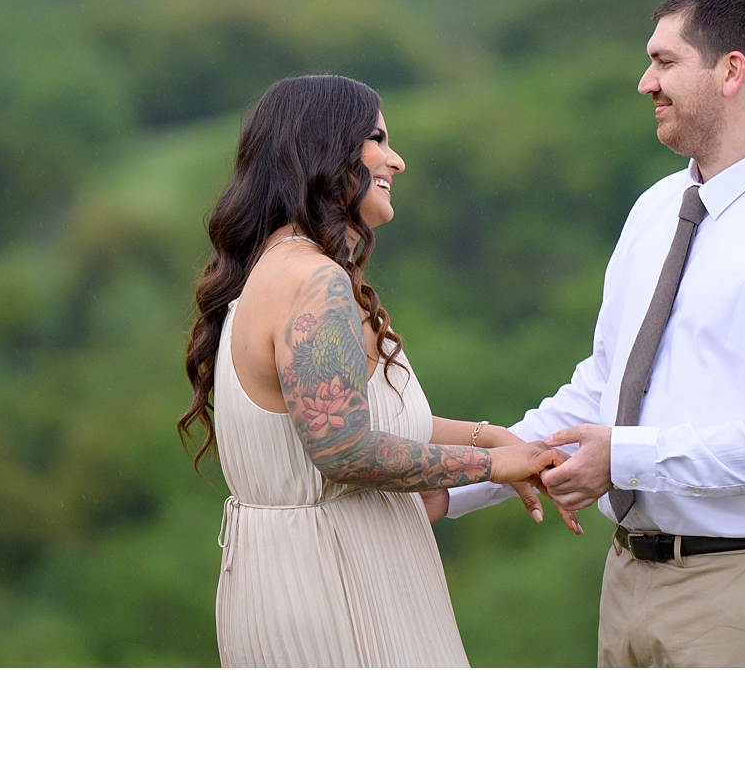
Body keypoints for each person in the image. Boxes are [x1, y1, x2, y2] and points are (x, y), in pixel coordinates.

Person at [438, 0, 745, 667]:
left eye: (665, 61)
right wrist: (459, 482)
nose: (645, 82)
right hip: (627, 583)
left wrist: (630, 455)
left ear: (732, 70)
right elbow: (602, 390)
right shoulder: (653, 210)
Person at [179, 73, 566, 667]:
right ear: (325, 149)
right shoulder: (312, 281)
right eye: (378, 139)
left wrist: (491, 435)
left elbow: (359, 418)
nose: (398, 160)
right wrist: (490, 465)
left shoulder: (276, 270)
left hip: (293, 575)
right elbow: (342, 448)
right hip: (336, 582)